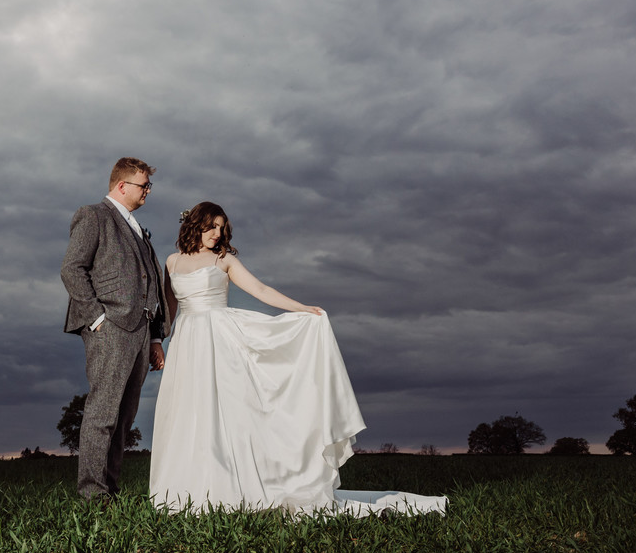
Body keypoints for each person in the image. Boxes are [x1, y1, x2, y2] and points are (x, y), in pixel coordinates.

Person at [149, 201, 446, 516]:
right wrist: (158, 340)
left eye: (222, 227)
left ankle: (238, 483)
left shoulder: (223, 260)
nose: (217, 233)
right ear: (197, 223)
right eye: (212, 226)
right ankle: (193, 487)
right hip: (187, 343)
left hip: (220, 340)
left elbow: (261, 290)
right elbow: (169, 307)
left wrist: (302, 309)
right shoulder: (172, 262)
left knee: (228, 412)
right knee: (190, 411)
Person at [62, 157, 170, 503]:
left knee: (124, 419)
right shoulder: (93, 215)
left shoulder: (139, 228)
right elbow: (72, 269)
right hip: (109, 327)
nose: (148, 192)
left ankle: (110, 490)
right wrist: (97, 318)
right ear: (122, 186)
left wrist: (155, 335)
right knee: (103, 413)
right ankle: (93, 496)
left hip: (140, 331)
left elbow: (150, 280)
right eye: (144, 186)